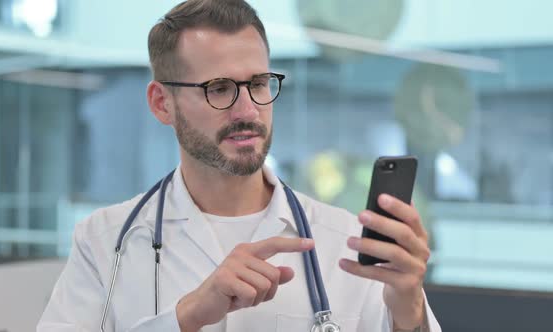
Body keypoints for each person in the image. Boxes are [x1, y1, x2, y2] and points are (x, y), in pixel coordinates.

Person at [38, 1, 441, 331]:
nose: (248, 109)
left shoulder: (346, 242)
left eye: (259, 83)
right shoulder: (105, 241)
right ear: (163, 103)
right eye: (219, 88)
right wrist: (185, 318)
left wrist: (410, 312)